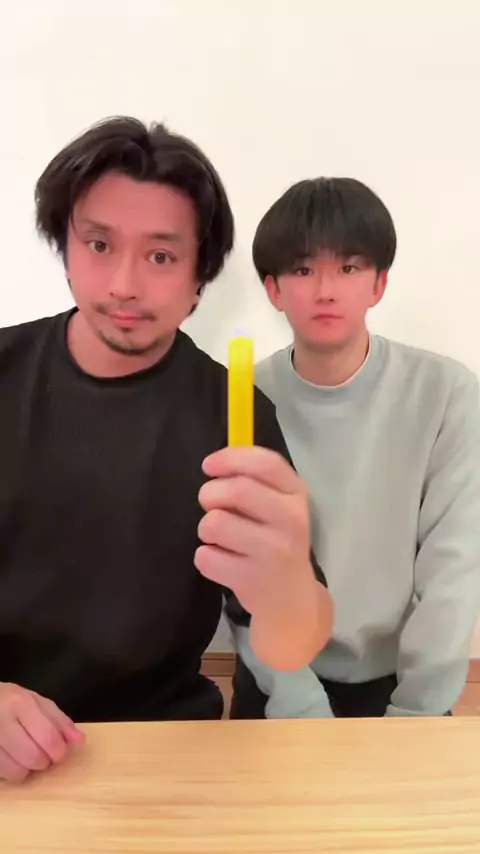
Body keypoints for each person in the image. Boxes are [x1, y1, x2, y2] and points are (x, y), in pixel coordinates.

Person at [0, 118, 333, 783]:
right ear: (65, 247)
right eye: (99, 244)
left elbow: (292, 643)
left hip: (166, 747)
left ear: (199, 276)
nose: (124, 284)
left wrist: (288, 584)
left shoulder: (236, 414)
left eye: (160, 257)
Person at [230, 176, 480, 720]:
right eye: (303, 270)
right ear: (273, 290)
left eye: (348, 268)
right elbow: (242, 579)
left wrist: (415, 716)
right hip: (278, 679)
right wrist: (300, 706)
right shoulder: (241, 397)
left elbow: (453, 571)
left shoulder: (447, 393)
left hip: (401, 685)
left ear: (378, 284)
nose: (326, 290)